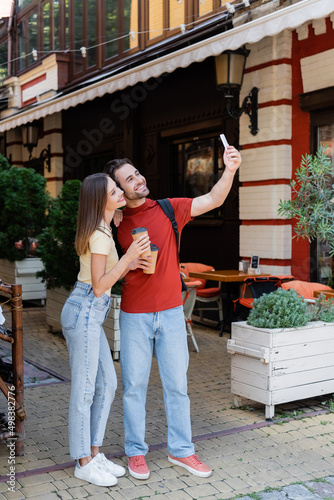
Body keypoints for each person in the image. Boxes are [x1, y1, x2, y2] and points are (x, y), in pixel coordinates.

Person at [104, 144, 241, 480]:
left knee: (177, 385)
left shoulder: (168, 209)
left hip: (170, 313)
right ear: (118, 191)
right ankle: (136, 452)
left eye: (137, 174)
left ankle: (182, 451)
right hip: (134, 314)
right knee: (134, 386)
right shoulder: (114, 221)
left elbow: (213, 199)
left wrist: (230, 169)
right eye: (129, 179)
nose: (138, 180)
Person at [60, 172, 150, 487]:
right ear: (102, 199)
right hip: (84, 310)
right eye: (114, 190)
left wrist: (130, 264)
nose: (121, 191)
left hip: (90, 315)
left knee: (107, 383)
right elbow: (99, 287)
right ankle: (83, 461)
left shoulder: (104, 228)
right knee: (85, 390)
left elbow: (106, 275)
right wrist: (128, 259)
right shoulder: (99, 234)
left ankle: (94, 452)